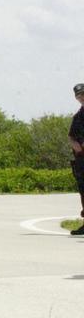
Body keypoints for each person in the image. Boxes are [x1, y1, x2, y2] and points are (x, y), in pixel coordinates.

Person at [70, 83, 84, 235]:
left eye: (83, 94)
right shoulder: (78, 116)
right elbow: (71, 136)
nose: (81, 97)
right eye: (79, 95)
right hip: (82, 160)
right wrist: (76, 146)